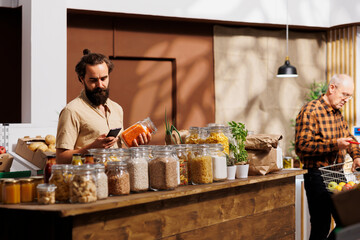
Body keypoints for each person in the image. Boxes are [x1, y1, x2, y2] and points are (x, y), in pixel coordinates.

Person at [56, 49, 151, 164]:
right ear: (82, 79)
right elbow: (61, 158)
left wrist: (135, 146)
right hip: (88, 179)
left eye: (103, 79)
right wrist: (91, 149)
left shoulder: (117, 109)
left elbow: (119, 151)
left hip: (117, 177)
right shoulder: (71, 111)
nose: (100, 85)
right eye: (93, 80)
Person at [295, 74, 360, 240]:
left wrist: (356, 156)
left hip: (337, 173)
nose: (346, 99)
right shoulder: (310, 110)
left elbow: (349, 140)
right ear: (332, 88)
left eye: (349, 96)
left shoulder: (337, 113)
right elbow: (302, 146)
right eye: (345, 94)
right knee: (321, 226)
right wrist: (335, 144)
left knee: (350, 222)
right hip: (316, 175)